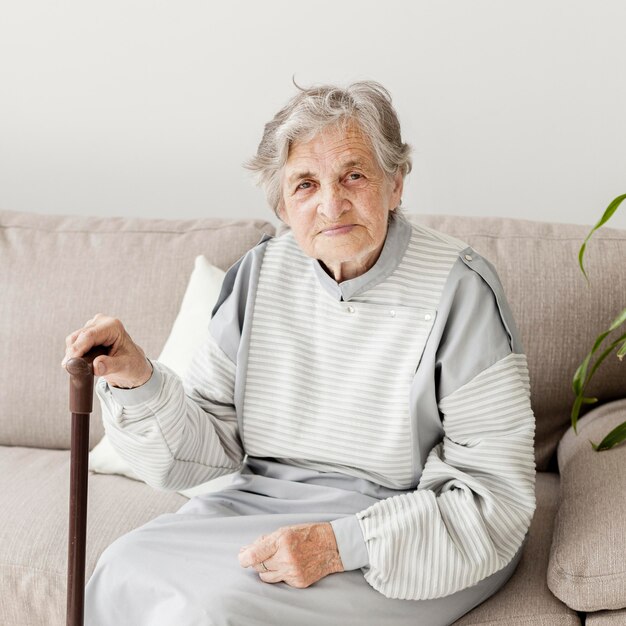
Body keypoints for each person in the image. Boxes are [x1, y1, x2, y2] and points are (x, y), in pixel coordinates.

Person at [63, 81, 536, 626]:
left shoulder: (461, 287)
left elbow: (492, 496)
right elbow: (207, 448)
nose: (331, 204)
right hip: (256, 505)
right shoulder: (259, 274)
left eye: (353, 175)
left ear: (395, 183)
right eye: (306, 184)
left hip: (403, 531)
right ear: (284, 205)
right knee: (121, 568)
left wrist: (341, 543)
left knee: (215, 612)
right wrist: (136, 378)